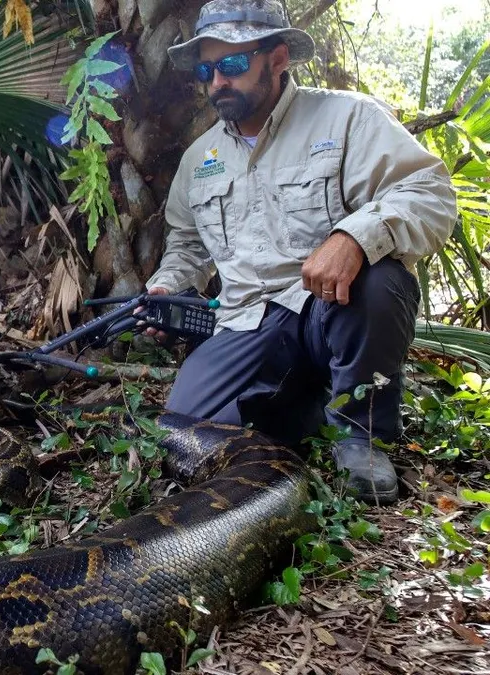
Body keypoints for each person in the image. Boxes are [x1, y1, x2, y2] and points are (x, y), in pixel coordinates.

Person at [145, 0, 457, 504]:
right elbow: (186, 245)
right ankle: (306, 408)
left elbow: (430, 193)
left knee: (380, 281)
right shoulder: (198, 159)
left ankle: (361, 434)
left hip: (328, 306)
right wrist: (168, 285)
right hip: (246, 321)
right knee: (181, 432)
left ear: (278, 58)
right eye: (206, 70)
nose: (217, 82)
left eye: (232, 65)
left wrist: (354, 237)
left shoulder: (347, 116)